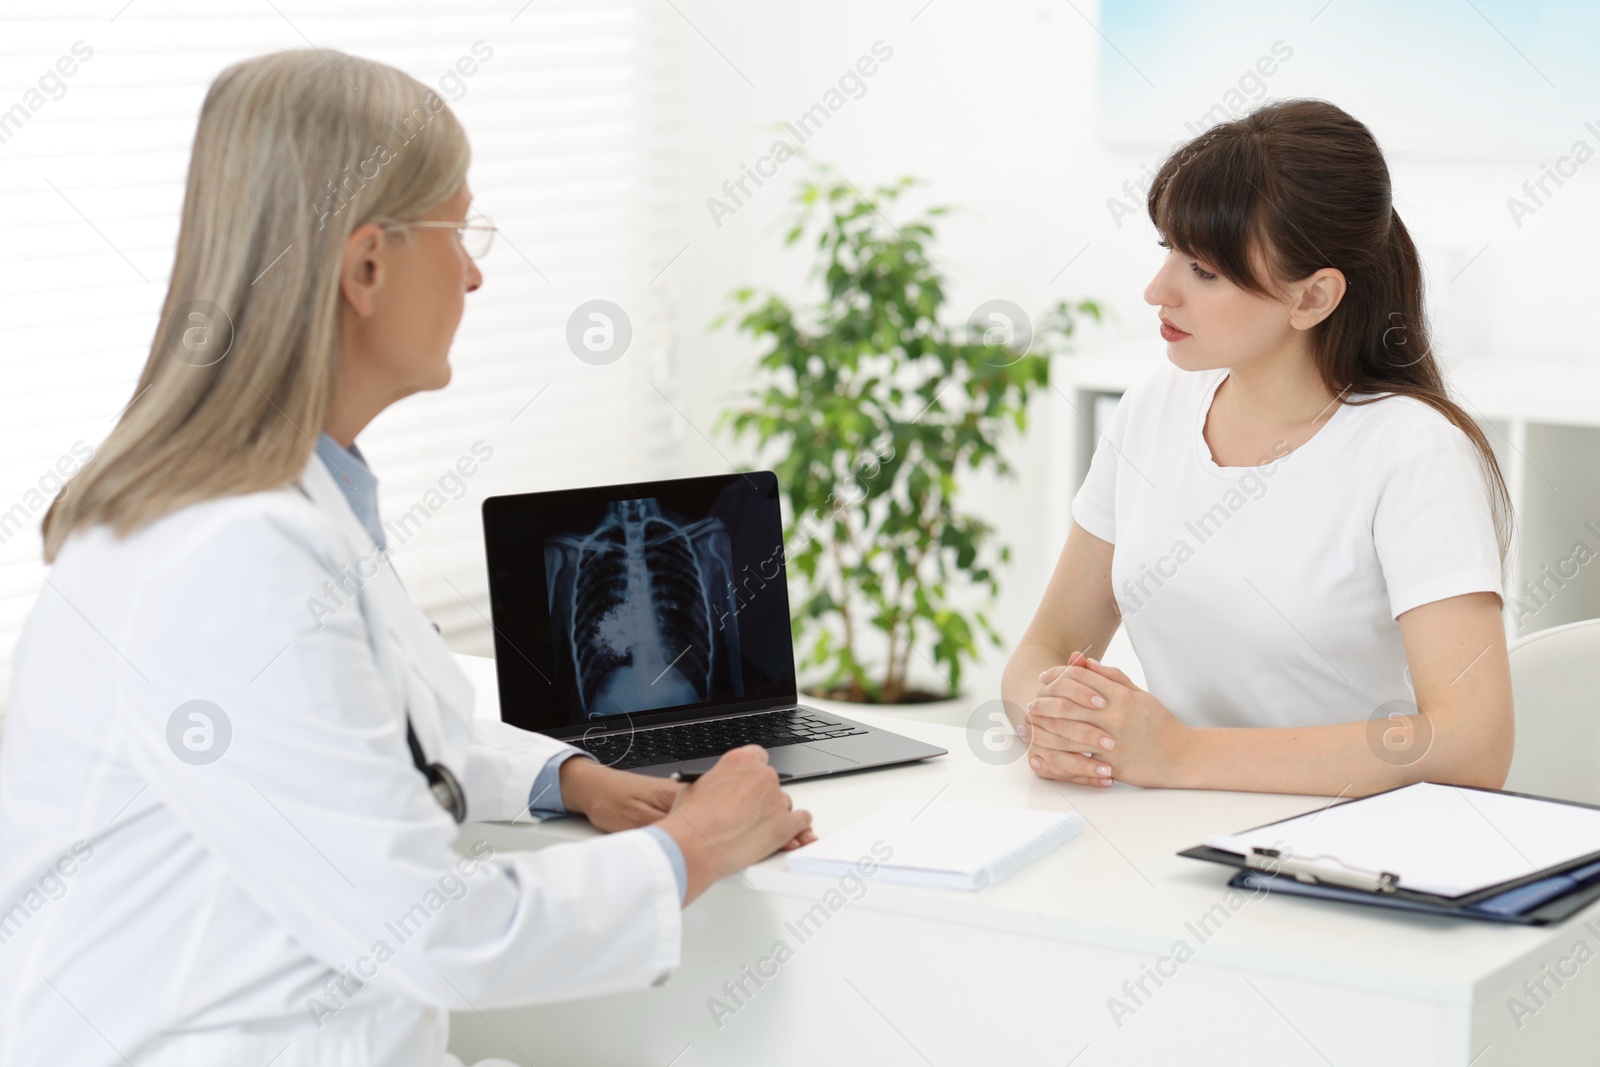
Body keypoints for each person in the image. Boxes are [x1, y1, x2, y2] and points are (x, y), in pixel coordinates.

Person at [0, 50, 812, 1066]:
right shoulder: (225, 553)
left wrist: (566, 776)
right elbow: (430, 928)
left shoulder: (287, 501)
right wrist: (684, 853)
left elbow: (355, 742)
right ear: (367, 266)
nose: (475, 271)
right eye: (459, 230)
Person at [1004, 99, 1514, 796]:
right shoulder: (1156, 406)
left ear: (1312, 298)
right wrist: (1056, 716)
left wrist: (1181, 756)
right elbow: (1045, 643)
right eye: (1168, 253)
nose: (1159, 291)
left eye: (1204, 271)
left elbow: (1472, 742)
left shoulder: (1412, 453)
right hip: (1168, 833)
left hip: (1350, 853)